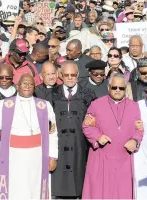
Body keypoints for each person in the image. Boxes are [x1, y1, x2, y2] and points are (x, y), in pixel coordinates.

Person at [0, 73, 58, 199]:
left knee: (34, 190)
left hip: (36, 156)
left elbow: (52, 133)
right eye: (24, 83)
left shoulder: (44, 106)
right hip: (12, 156)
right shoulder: (3, 104)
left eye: (31, 84)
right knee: (15, 190)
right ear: (17, 86)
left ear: (34, 87)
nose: (27, 86)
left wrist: (53, 157)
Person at [82, 73, 143, 199]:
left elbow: (140, 129)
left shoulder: (134, 106)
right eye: (114, 87)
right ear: (108, 87)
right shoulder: (96, 105)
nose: (117, 90)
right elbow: (87, 126)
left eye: (121, 88)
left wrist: (135, 141)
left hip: (124, 160)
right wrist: (98, 137)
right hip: (102, 158)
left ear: (126, 89)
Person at [51, 61, 96, 198]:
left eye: (73, 75)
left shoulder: (88, 94)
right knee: (58, 185)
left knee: (79, 184)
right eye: (66, 75)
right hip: (59, 145)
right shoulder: (52, 94)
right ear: (61, 75)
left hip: (80, 146)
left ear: (78, 75)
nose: (70, 78)